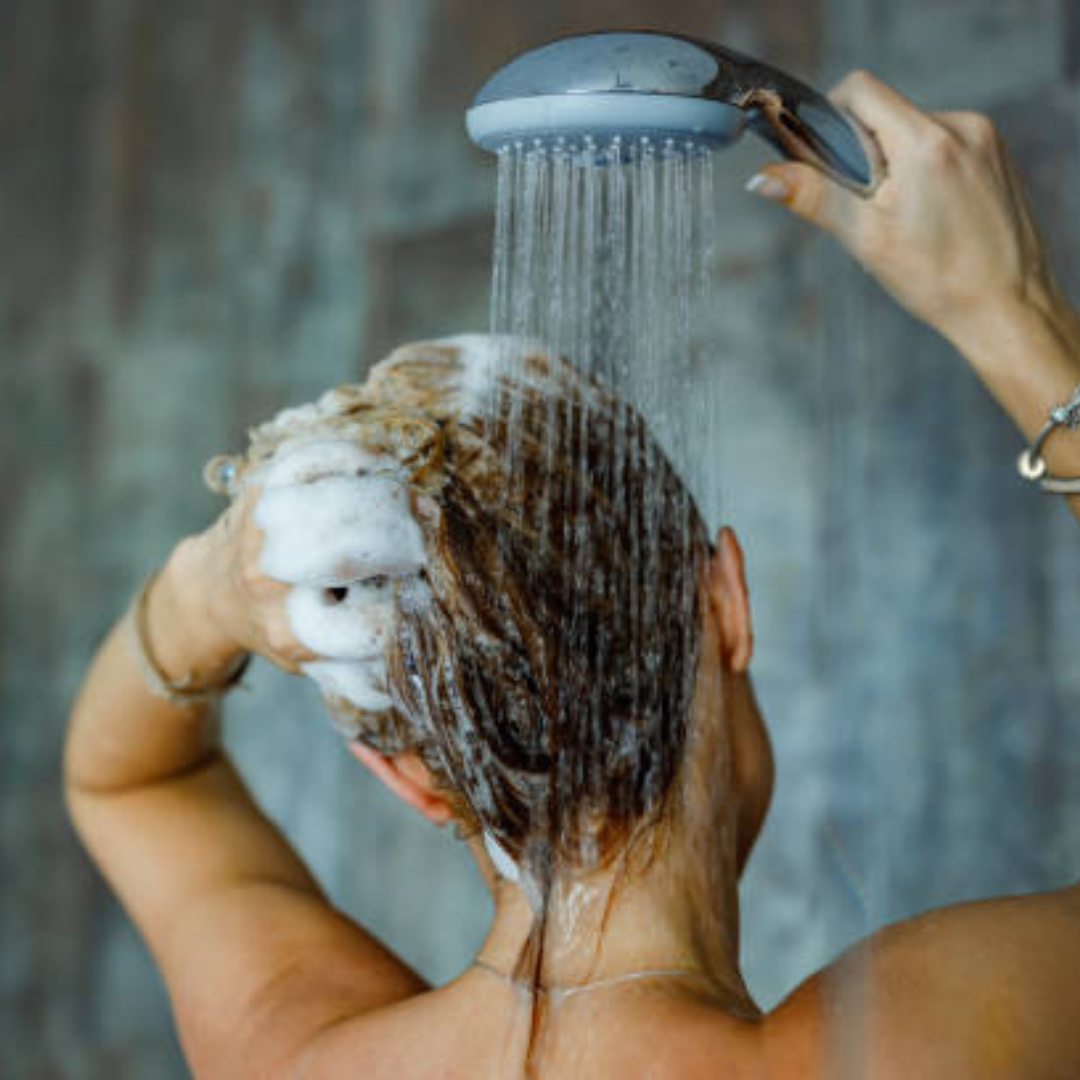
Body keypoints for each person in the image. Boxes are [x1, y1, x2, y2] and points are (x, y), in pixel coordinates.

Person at [64, 70, 1080, 1079]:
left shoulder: (290, 1053)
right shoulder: (931, 1035)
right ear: (725, 601)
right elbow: (128, 784)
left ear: (410, 780)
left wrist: (215, 582)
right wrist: (1010, 310)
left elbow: (130, 778)